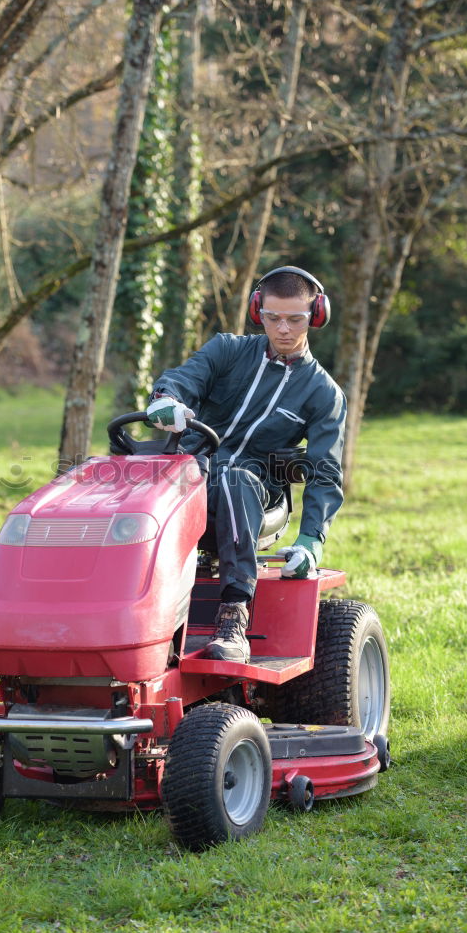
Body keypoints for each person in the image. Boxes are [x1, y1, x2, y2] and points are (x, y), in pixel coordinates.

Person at [147, 266, 347, 663]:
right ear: (258, 311)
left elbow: (326, 473)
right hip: (193, 473)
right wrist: (165, 399)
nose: (284, 329)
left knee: (237, 479)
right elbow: (182, 379)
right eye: (273, 318)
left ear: (316, 316)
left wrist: (311, 541)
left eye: (295, 319)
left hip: (257, 490)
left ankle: (233, 619)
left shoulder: (325, 393)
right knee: (129, 479)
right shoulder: (226, 349)